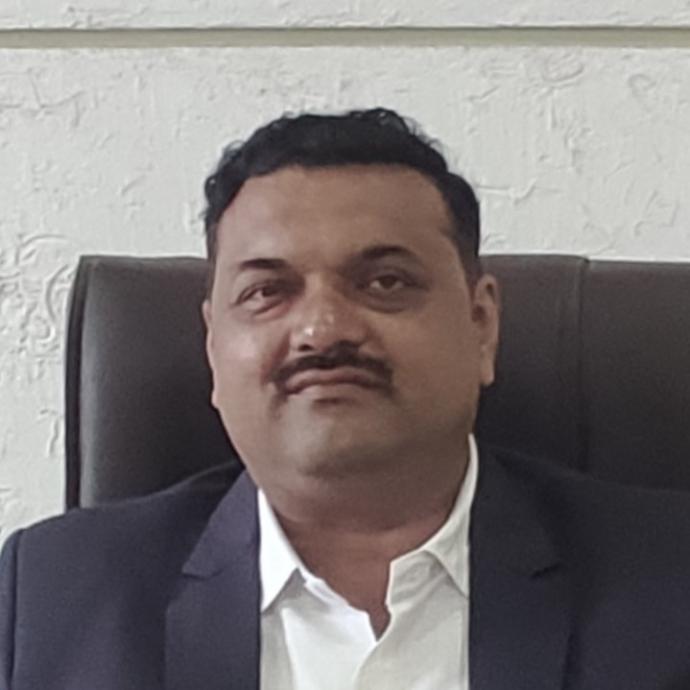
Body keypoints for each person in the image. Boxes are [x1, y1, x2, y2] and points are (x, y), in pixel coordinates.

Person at [2, 108, 690, 690]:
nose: (323, 329)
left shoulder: (670, 583)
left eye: (385, 283)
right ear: (213, 346)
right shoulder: (51, 600)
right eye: (267, 292)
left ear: (481, 325)